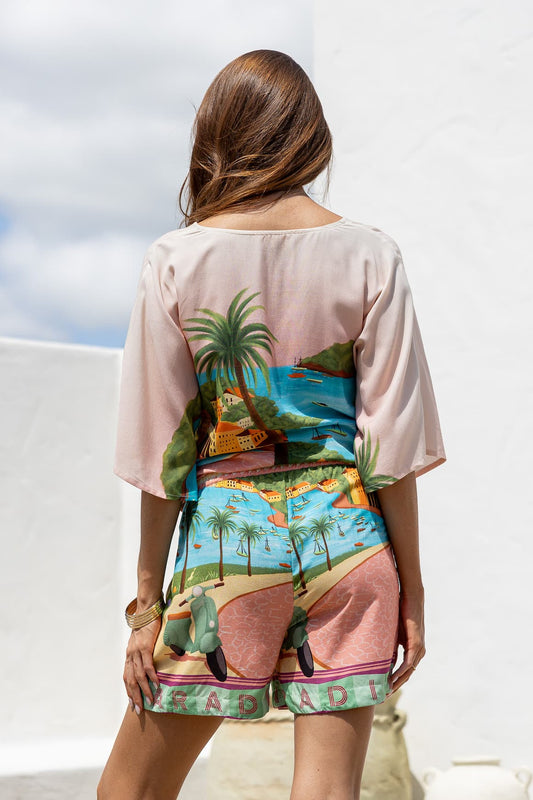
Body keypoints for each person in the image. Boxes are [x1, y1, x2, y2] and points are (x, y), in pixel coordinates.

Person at [97, 49, 446, 800]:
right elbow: (389, 451)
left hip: (231, 546)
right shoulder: (370, 254)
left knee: (129, 791)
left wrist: (146, 606)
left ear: (216, 135)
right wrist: (411, 591)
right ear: (310, 136)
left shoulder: (176, 260)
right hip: (349, 543)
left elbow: (164, 449)